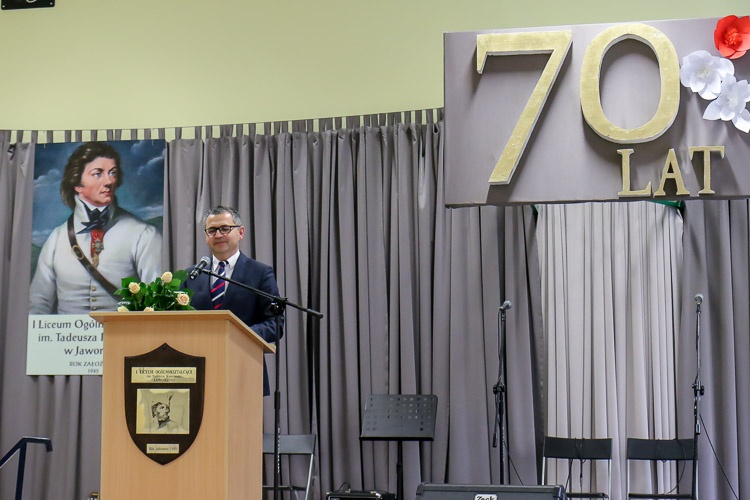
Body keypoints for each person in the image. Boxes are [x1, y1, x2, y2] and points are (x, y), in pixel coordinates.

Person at [29, 141, 163, 314]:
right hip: (67, 332)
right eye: (98, 174)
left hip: (121, 331)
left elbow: (157, 304)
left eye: (112, 173)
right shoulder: (56, 239)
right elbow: (38, 303)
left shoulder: (144, 235)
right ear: (77, 184)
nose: (109, 181)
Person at [184, 205, 283, 394]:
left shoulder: (260, 273)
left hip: (243, 369)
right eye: (212, 230)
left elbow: (275, 324)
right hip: (197, 372)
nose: (218, 235)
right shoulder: (192, 275)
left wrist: (237, 334)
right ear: (205, 236)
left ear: (241, 232)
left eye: (225, 228)